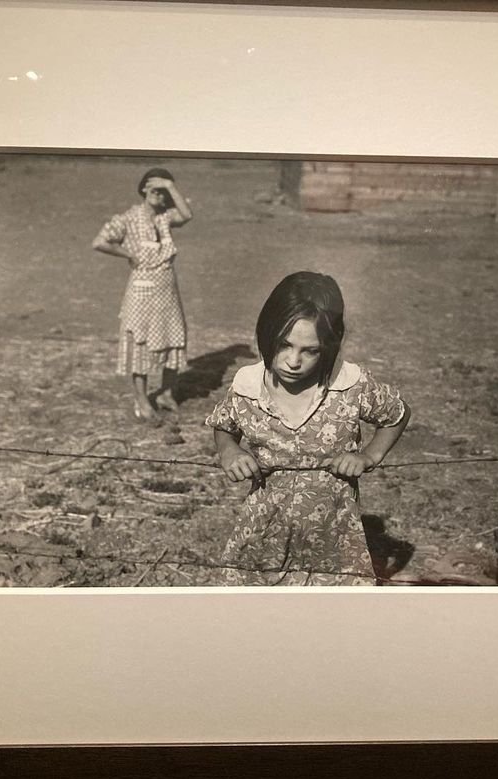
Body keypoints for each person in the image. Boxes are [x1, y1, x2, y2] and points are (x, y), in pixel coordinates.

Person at [205, 272, 411, 585]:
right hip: (263, 536)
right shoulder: (248, 387)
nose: (293, 361)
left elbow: (397, 413)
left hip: (333, 540)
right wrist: (229, 450)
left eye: (310, 350)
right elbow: (224, 424)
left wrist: (369, 456)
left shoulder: (350, 386)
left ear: (329, 346)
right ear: (267, 334)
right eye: (284, 345)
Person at [92, 167, 193, 422]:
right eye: (155, 190)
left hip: (167, 288)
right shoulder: (128, 218)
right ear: (144, 190)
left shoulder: (165, 217)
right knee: (141, 343)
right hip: (142, 290)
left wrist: (170, 186)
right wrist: (128, 254)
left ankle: (166, 393)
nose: (160, 195)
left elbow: (187, 214)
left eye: (163, 192)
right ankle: (141, 399)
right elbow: (100, 242)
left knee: (173, 336)